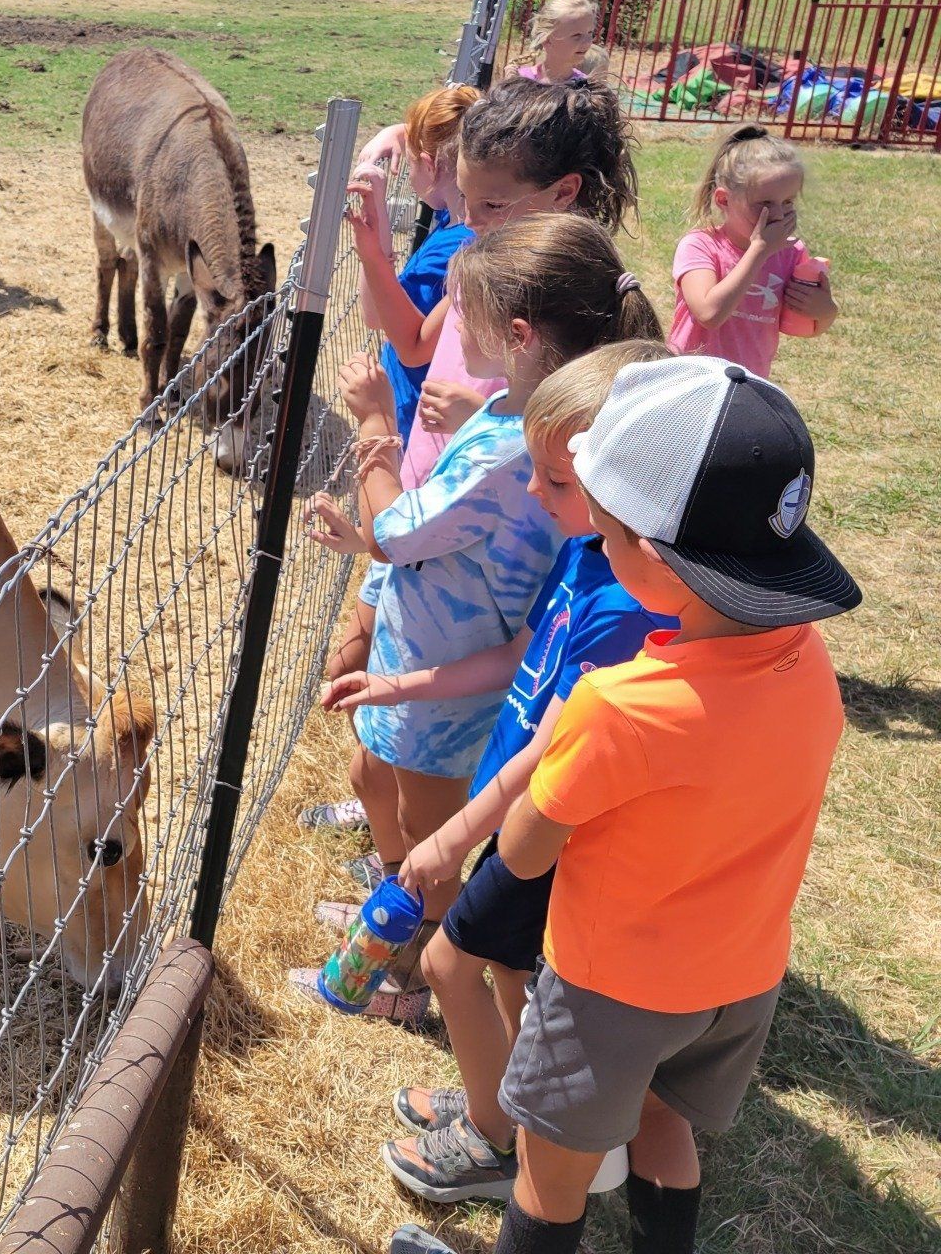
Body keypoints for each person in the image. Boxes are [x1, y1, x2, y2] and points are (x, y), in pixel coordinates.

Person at [393, 355, 861, 1254]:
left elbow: (526, 853)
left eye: (606, 534)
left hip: (614, 991)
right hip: (739, 977)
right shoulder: (809, 662)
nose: (598, 549)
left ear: (653, 555)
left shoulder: (622, 705)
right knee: (661, 1118)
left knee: (548, 1177)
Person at [321, 335, 676, 1203]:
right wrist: (398, 683)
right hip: (517, 808)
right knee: (512, 973)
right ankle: (509, 1105)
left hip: (548, 826)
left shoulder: (626, 604)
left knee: (452, 963)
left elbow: (559, 746)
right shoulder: (587, 555)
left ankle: (490, 1138)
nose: (534, 494)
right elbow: (519, 656)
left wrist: (451, 839)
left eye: (554, 480)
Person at [292, 213, 663, 1023]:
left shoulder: (516, 449)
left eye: (464, 314)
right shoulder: (514, 416)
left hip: (453, 678)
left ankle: (406, 973)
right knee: (370, 778)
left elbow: (398, 533)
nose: (450, 328)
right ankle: (392, 908)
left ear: (518, 336)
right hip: (425, 656)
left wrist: (376, 425)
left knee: (425, 823)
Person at [298, 85, 481, 850]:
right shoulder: (463, 233)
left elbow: (395, 330)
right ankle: (378, 797)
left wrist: (372, 250)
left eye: (415, 154)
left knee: (372, 660)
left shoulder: (460, 246)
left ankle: (394, 831)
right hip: (411, 461)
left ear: (441, 161)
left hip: (411, 459)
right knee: (362, 654)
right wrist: (384, 146)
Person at [356, 76, 638, 492]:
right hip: (436, 478)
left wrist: (481, 418)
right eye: (464, 198)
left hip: (494, 501)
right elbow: (415, 347)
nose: (470, 221)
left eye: (492, 204)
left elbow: (583, 445)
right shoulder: (481, 261)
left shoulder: (576, 296)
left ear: (564, 192)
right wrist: (372, 252)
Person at [671, 125, 837, 377]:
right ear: (724, 200)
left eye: (788, 202)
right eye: (764, 203)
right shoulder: (700, 245)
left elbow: (801, 325)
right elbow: (709, 314)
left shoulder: (791, 253)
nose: (778, 214)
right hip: (690, 379)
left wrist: (826, 311)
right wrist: (760, 251)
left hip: (747, 384)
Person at [516, 0, 599, 85]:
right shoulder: (521, 81)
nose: (587, 43)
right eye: (576, 35)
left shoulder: (586, 87)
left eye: (590, 33)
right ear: (547, 40)